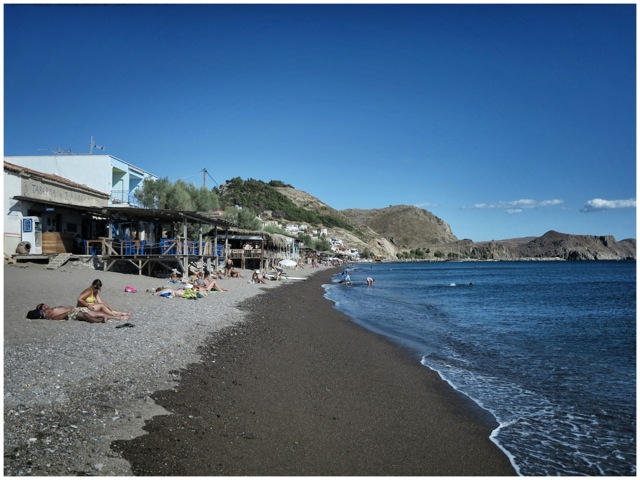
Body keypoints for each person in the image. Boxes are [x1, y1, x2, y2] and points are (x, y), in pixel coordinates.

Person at [31, 303, 113, 323]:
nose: (44, 306)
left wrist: (70, 308)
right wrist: (68, 311)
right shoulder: (49, 315)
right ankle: (101, 320)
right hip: (71, 314)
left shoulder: (52, 309)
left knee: (100, 312)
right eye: (41, 307)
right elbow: (57, 318)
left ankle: (118, 316)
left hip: (74, 310)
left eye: (43, 304)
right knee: (86, 315)